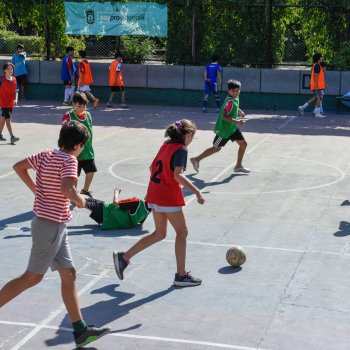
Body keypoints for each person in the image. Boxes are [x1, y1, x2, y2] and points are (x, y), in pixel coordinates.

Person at [0, 121, 110, 348]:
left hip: (54, 225)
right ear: (78, 145)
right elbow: (67, 190)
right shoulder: (70, 160)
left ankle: (80, 330)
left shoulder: (45, 154)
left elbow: (19, 166)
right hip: (49, 227)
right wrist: (82, 201)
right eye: (83, 146)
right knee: (32, 277)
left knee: (69, 273)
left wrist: (36, 189)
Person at [113, 119, 205, 287]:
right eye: (193, 136)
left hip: (154, 194)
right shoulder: (181, 150)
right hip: (167, 196)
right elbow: (178, 175)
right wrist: (197, 191)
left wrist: (161, 182)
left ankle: (124, 258)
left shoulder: (166, 145)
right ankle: (181, 275)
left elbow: (151, 168)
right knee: (182, 232)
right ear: (189, 134)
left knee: (160, 233)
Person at [190, 79, 250, 174]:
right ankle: (196, 159)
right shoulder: (229, 101)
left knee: (243, 144)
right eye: (233, 91)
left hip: (232, 129)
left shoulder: (235, 99)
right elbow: (224, 116)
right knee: (216, 148)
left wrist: (240, 111)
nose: (235, 93)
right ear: (229, 91)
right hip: (224, 131)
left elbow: (235, 105)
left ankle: (238, 166)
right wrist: (237, 122)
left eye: (237, 90)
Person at [62, 91, 96, 197]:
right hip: (74, 152)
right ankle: (73, 193)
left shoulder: (88, 115)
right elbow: (64, 132)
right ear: (73, 104)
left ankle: (85, 190)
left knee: (91, 171)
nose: (82, 108)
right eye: (79, 106)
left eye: (84, 106)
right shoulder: (69, 116)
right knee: (74, 176)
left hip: (87, 150)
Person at [84, 187, 151, 229]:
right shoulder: (148, 210)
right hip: (110, 223)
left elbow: (115, 203)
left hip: (107, 212)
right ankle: (74, 196)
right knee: (85, 202)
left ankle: (73, 195)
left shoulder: (137, 202)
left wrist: (116, 192)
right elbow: (139, 222)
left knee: (83, 201)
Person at [298, 52, 326, 118]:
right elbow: (316, 76)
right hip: (317, 86)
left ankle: (302, 107)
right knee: (319, 98)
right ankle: (317, 113)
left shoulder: (317, 65)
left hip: (317, 85)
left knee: (315, 98)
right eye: (321, 57)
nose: (322, 58)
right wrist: (316, 87)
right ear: (319, 58)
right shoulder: (317, 65)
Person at [0, 62, 19, 144]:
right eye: (8, 69)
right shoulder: (1, 79)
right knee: (8, 119)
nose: (10, 70)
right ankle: (12, 136)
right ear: (4, 70)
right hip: (3, 103)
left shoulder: (14, 79)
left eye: (11, 69)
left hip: (10, 103)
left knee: (3, 118)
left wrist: (16, 99)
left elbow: (16, 91)